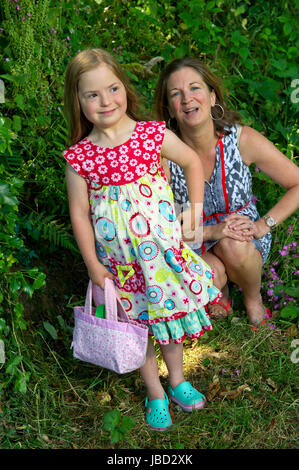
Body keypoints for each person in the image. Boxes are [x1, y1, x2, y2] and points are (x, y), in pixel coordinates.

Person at [62, 49, 221, 432]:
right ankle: (154, 392)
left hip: (162, 259)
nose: (106, 101)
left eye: (112, 89)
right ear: (78, 102)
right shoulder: (80, 158)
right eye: (92, 95)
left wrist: (195, 212)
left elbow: (192, 162)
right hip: (120, 266)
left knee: (168, 321)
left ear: (124, 88)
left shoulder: (150, 135)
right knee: (138, 327)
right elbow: (79, 215)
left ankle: (178, 380)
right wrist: (93, 265)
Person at [154, 56, 299, 330]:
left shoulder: (241, 139)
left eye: (195, 88)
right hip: (190, 240)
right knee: (210, 273)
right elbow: (161, 227)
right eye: (176, 94)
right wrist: (211, 232)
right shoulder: (164, 155)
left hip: (242, 239)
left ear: (212, 97)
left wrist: (262, 225)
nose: (187, 99)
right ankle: (220, 289)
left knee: (233, 244)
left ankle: (253, 297)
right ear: (170, 110)